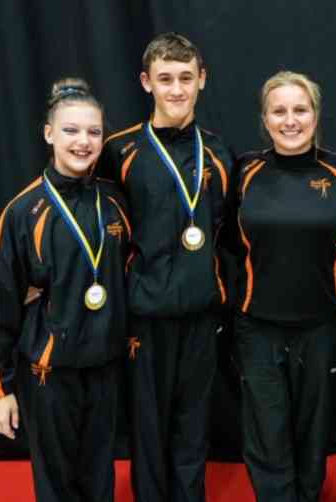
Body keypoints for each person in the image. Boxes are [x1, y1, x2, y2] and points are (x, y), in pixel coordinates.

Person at [0, 78, 131, 502]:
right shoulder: (23, 211)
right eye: (70, 130)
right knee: (57, 483)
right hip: (49, 371)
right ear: (48, 133)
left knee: (100, 476)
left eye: (94, 132)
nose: (83, 142)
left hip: (105, 367)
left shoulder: (116, 202)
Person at [95, 33, 233, 502]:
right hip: (143, 316)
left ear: (202, 81)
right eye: (166, 79)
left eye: (186, 78)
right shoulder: (117, 152)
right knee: (147, 427)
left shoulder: (219, 153)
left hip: (200, 312)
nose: (177, 90)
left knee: (193, 423)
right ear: (146, 82)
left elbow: (227, 236)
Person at [226, 71, 336, 502]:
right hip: (257, 325)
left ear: (316, 115)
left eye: (300, 109)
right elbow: (225, 241)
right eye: (279, 111)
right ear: (265, 118)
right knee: (267, 432)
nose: (290, 120)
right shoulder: (245, 170)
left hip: (321, 325)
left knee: (313, 433)